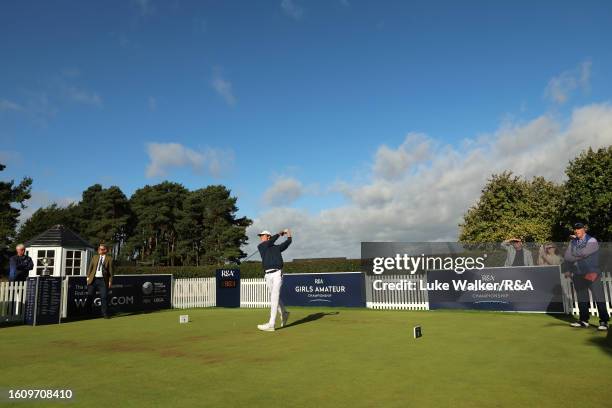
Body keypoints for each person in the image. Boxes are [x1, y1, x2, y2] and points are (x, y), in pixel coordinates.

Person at [564, 223, 608, 331]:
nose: (576, 230)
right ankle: (583, 320)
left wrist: (574, 253)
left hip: (591, 272)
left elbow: (584, 253)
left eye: (579, 228)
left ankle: (604, 321)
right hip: (578, 273)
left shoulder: (592, 240)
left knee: (599, 297)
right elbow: (567, 257)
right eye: (575, 229)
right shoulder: (573, 241)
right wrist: (575, 255)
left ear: (584, 229)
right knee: (582, 298)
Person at [256, 229, 292, 332]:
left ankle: (271, 324)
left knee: (274, 296)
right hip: (268, 275)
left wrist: (288, 235)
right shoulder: (261, 246)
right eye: (260, 236)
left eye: (262, 235)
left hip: (277, 273)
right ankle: (284, 313)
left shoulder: (276, 248)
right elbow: (270, 242)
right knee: (274, 296)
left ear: (268, 236)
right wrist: (279, 233)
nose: (261, 237)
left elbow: (288, 243)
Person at [85, 243, 114, 319]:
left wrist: (110, 281)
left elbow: (111, 272)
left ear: (105, 250)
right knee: (90, 296)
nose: (99, 250)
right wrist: (88, 277)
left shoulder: (109, 259)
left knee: (104, 297)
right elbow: (90, 267)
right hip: (93, 280)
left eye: (101, 249)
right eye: (99, 249)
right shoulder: (95, 257)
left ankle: (104, 314)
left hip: (103, 281)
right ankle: (87, 313)